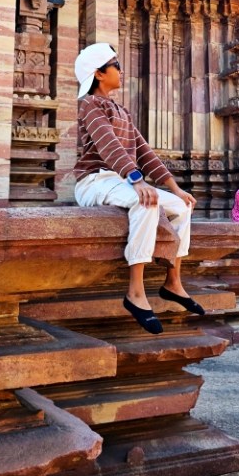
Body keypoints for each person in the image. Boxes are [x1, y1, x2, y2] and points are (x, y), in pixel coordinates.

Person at [73, 42, 202, 334]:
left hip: (122, 180)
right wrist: (137, 180)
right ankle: (135, 292)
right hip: (95, 181)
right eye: (115, 65)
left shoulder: (121, 110)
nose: (121, 69)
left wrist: (176, 188)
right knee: (147, 202)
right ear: (99, 74)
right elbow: (108, 145)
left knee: (182, 207)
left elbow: (144, 152)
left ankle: (173, 282)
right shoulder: (90, 105)